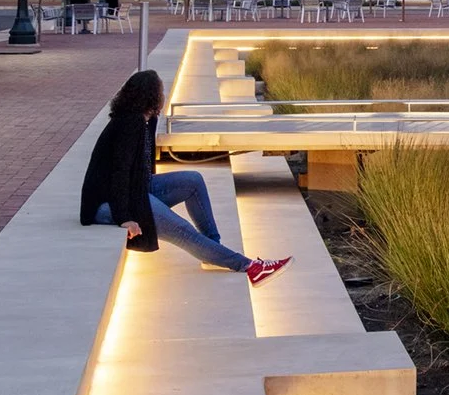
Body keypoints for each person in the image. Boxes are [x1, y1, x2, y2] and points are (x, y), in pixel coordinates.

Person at [80, 69, 291, 285]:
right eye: (161, 91)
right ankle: (250, 267)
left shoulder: (143, 120)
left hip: (135, 189)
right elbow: (120, 173)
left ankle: (213, 248)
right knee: (183, 230)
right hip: (106, 204)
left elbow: (142, 169)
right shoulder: (130, 124)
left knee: (193, 181)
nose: (163, 95)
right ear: (151, 95)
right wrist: (125, 218)